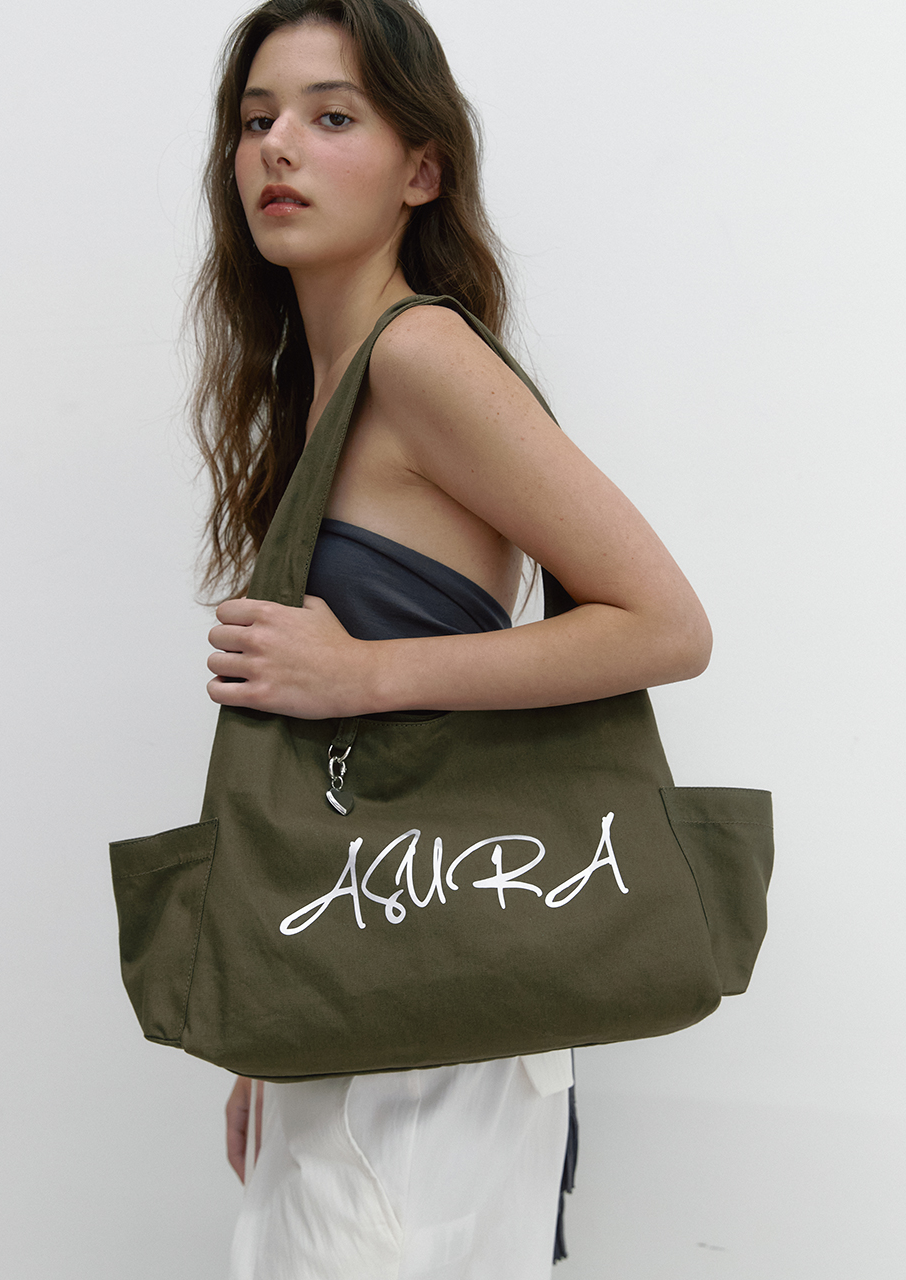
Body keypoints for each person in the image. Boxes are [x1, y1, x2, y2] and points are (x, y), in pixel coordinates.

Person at [189, 2, 712, 1276]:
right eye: (255, 121)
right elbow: (330, 775)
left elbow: (666, 623)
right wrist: (278, 1008)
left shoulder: (419, 356)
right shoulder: (324, 385)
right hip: (370, 980)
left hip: (433, 1026)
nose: (277, 148)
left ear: (421, 170)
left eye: (331, 116)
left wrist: (362, 670)